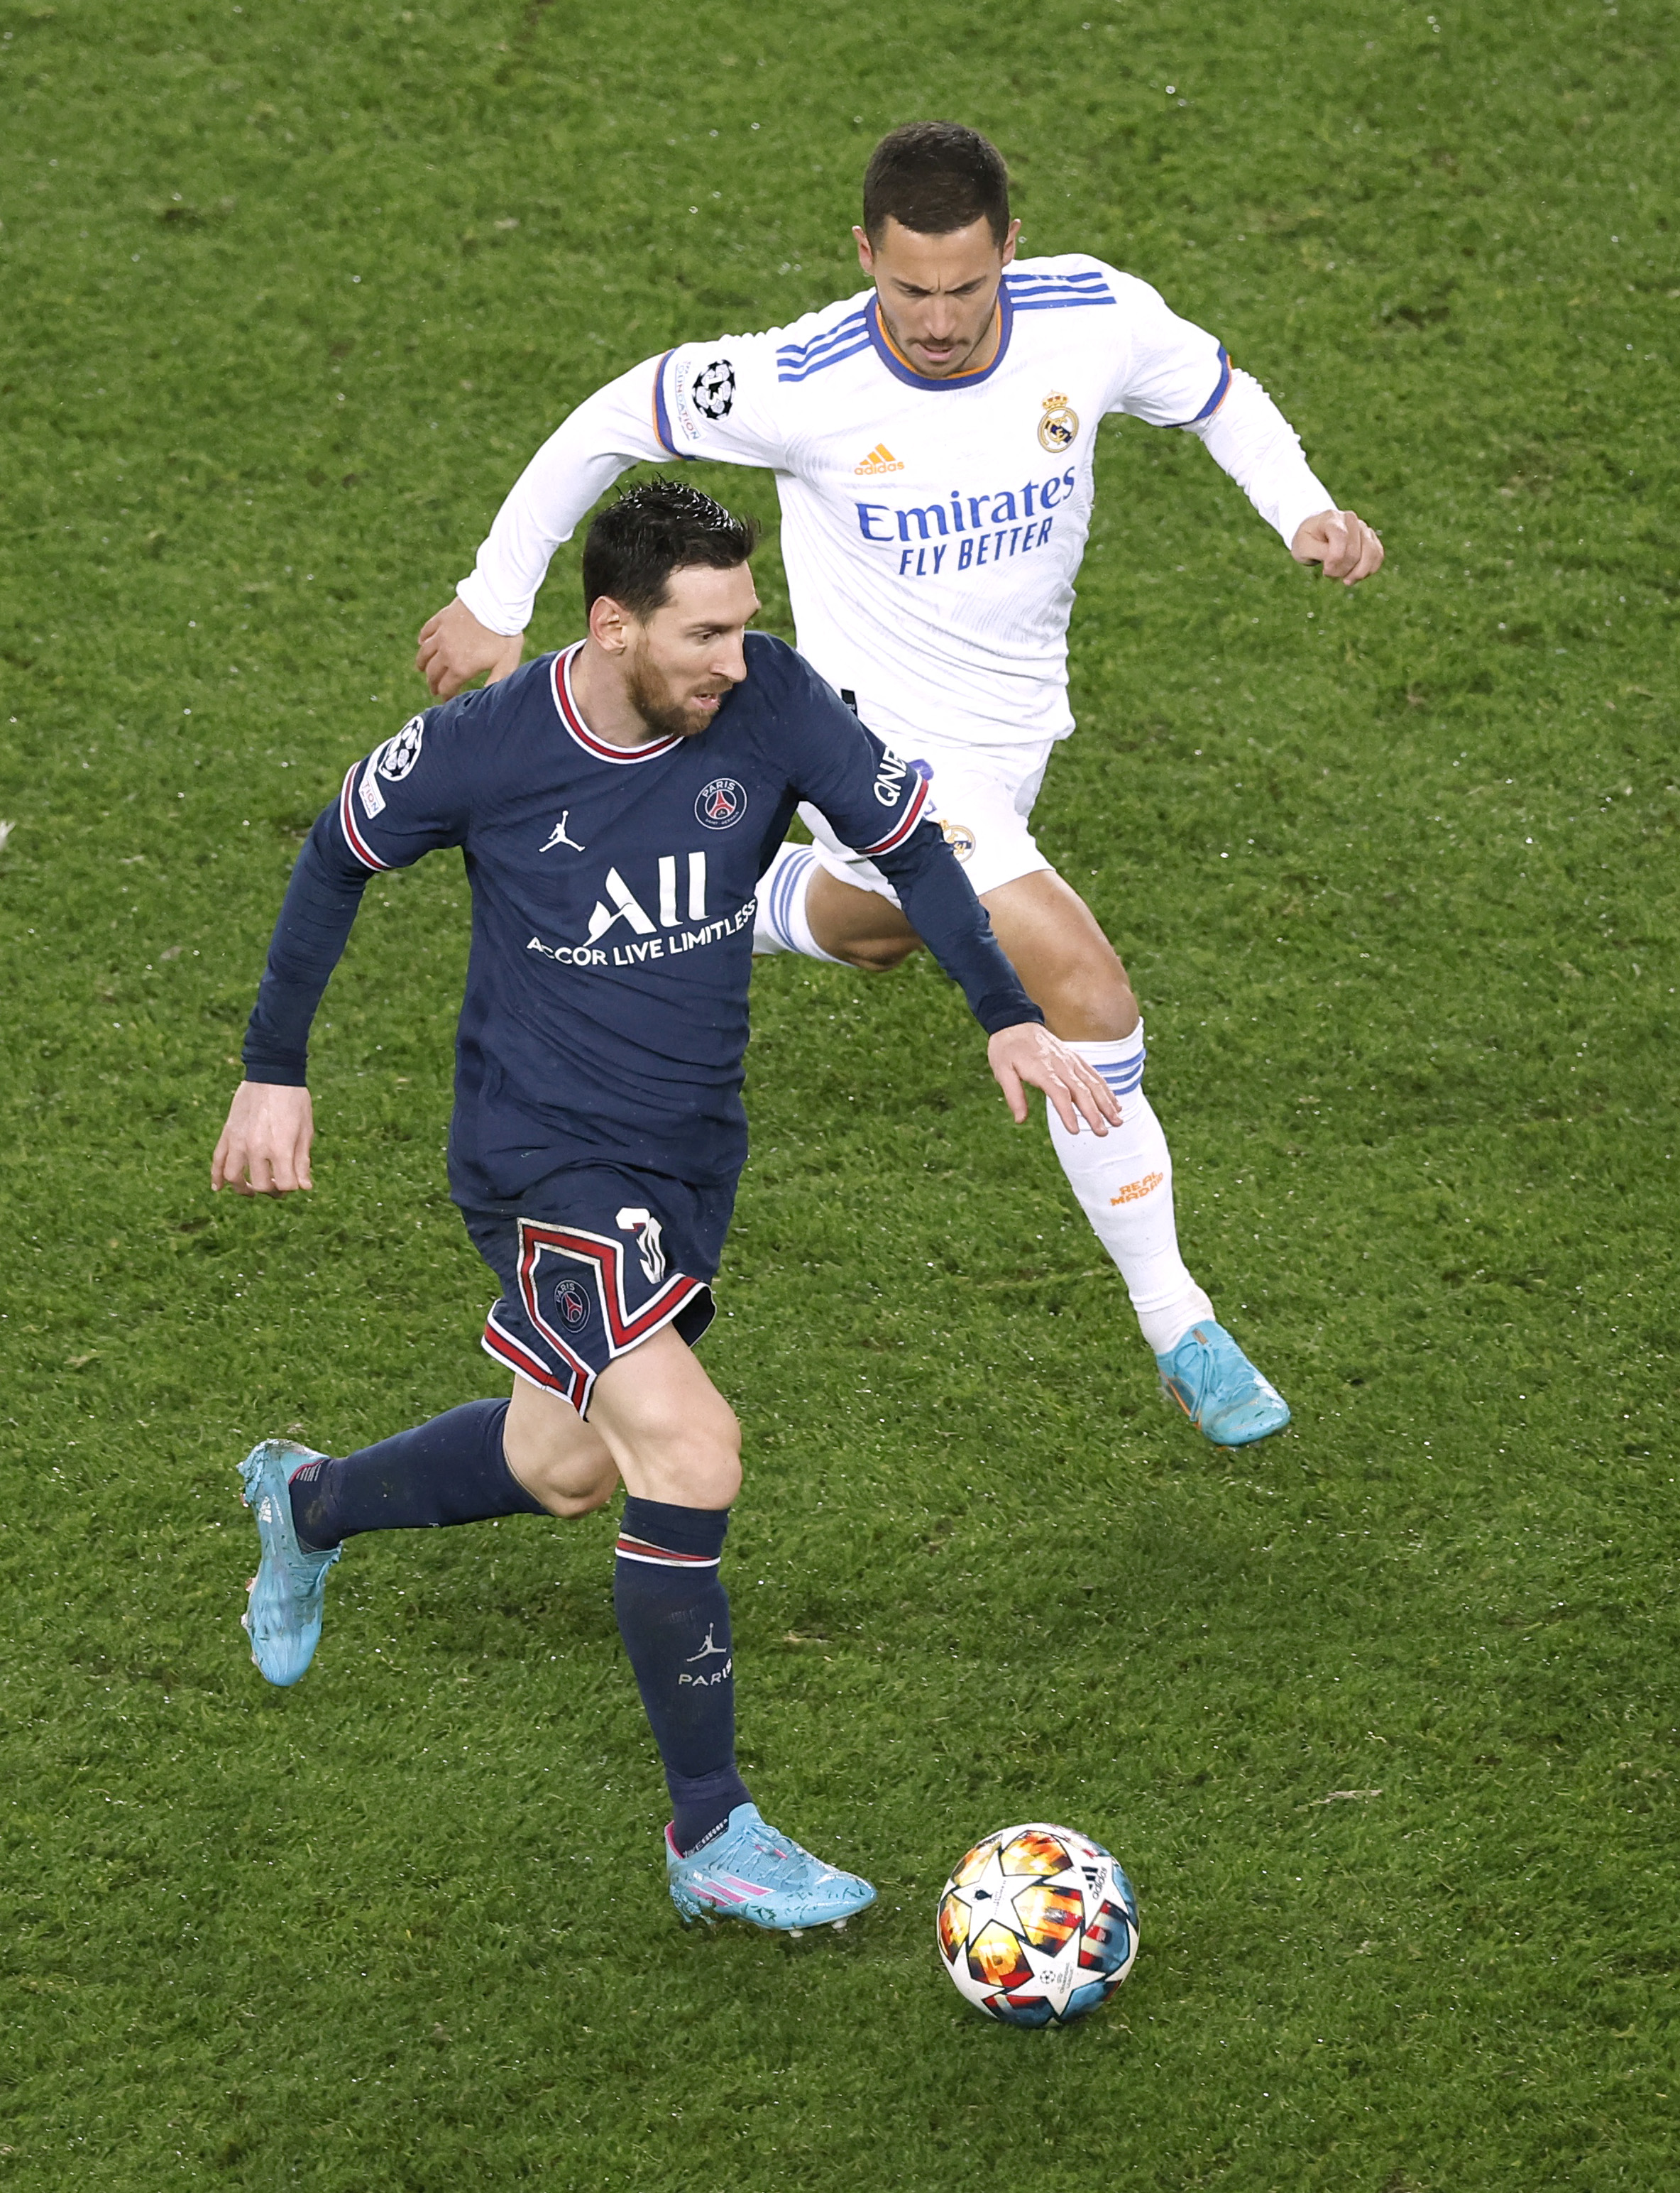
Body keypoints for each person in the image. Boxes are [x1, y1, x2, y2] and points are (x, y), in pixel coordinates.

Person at [214, 480, 1116, 1935]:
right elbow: (336, 850)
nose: (732, 659)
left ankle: (308, 1502)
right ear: (613, 625)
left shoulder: (770, 700)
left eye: (743, 625)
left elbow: (908, 848)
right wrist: (274, 1070)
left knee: (563, 1462)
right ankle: (713, 1831)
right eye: (704, 634)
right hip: (542, 1164)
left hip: (689, 1161)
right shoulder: (489, 746)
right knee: (689, 1449)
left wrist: (1005, 1013)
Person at [415, 121, 1386, 1449]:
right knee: (1085, 987)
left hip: (1012, 739)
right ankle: (1182, 1327)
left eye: (966, 288)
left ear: (1011, 250)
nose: (935, 320)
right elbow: (612, 417)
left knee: (886, 926)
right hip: (876, 744)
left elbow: (1216, 390)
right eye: (908, 287)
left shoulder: (1093, 316)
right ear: (865, 253)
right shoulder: (801, 379)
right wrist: (494, 594)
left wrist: (1304, 509)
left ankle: (724, 895)